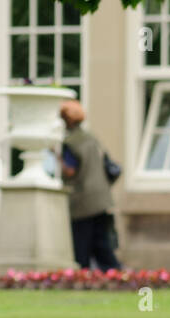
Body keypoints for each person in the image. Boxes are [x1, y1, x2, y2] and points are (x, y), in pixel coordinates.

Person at [59, 100, 121, 271]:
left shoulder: (70, 142)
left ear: (67, 121)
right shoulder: (91, 138)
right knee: (102, 242)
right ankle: (116, 273)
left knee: (81, 245)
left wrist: (57, 158)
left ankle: (84, 276)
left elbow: (70, 171)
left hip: (83, 200)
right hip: (102, 198)